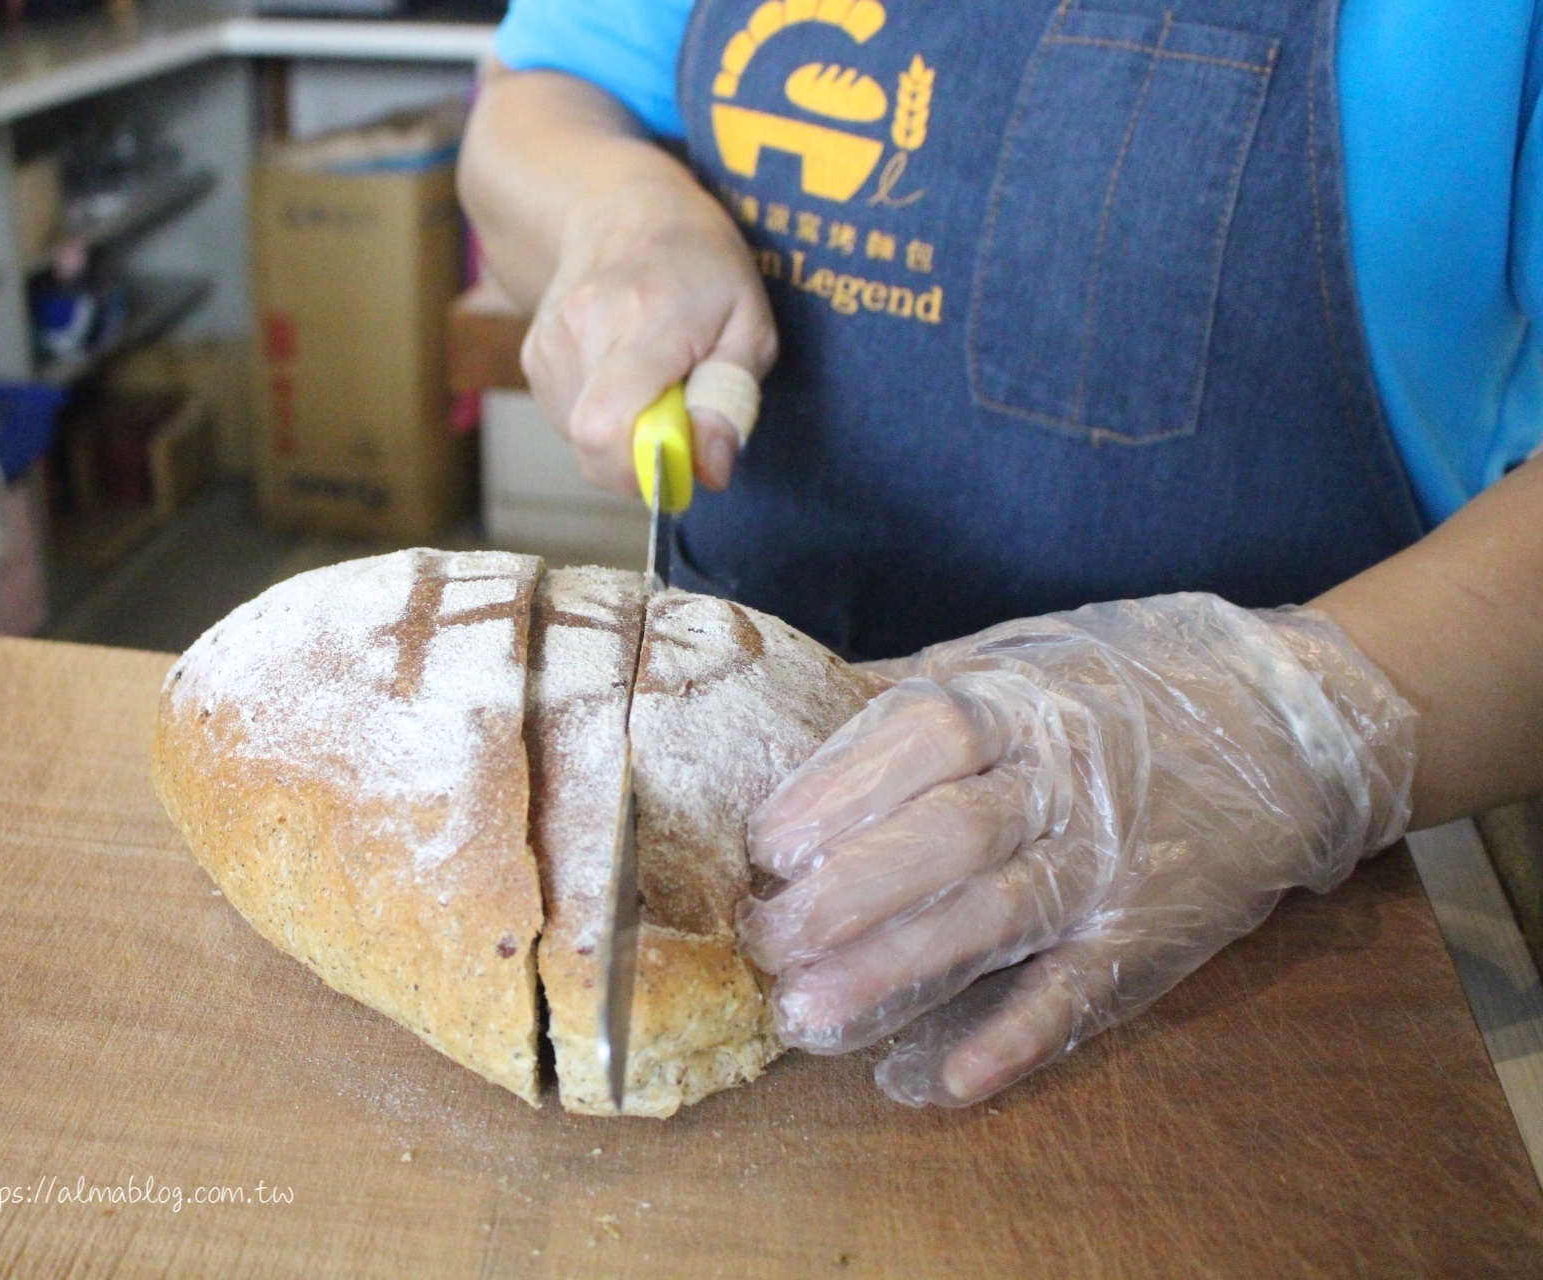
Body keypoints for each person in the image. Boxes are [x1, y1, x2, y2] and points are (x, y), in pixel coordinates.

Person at [458, 0, 1543, 1106]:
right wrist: (620, 210)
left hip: (1277, 957)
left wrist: (1288, 723)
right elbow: (534, 104)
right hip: (731, 885)